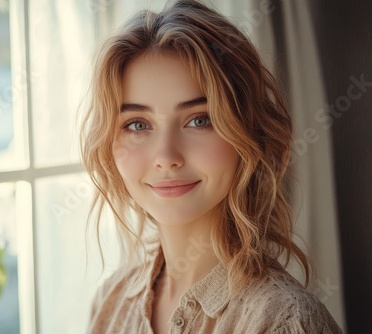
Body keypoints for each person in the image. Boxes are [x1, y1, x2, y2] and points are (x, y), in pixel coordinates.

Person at [80, 0, 343, 333]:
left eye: (199, 120)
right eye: (136, 124)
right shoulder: (109, 302)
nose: (165, 156)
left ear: (246, 132)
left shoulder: (282, 321)